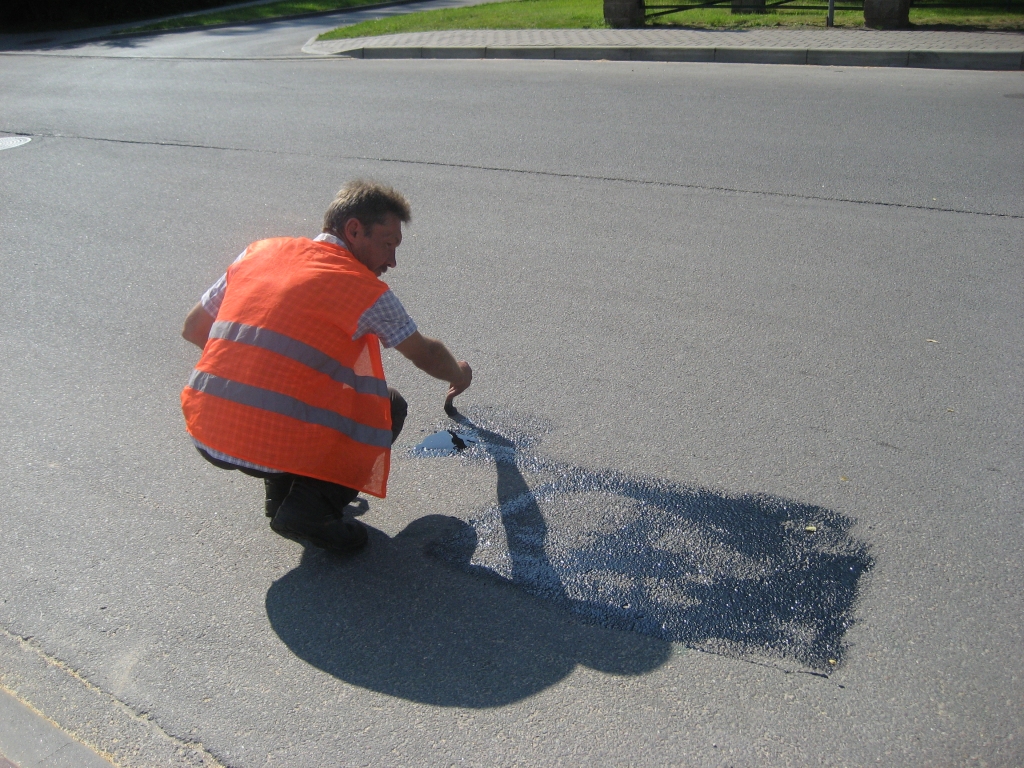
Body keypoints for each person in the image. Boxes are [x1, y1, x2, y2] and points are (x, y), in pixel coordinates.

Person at [180, 180, 472, 554]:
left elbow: (193, 329)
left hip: (206, 427)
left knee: (305, 392)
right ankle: (311, 508)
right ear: (353, 230)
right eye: (387, 244)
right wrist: (458, 375)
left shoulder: (258, 252)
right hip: (266, 439)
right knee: (387, 406)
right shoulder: (362, 289)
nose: (392, 262)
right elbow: (425, 353)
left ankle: (281, 496)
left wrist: (250, 367)